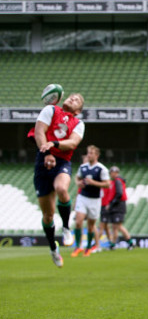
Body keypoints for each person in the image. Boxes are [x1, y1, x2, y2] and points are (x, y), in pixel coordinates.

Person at [33, 93, 85, 267]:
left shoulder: (79, 123)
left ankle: (66, 228)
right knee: (47, 215)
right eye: (71, 96)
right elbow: (39, 131)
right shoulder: (50, 110)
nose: (72, 99)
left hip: (62, 161)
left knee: (62, 189)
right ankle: (52, 249)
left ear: (78, 110)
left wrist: (54, 145)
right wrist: (47, 152)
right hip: (43, 161)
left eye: (76, 100)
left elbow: (72, 143)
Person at [71, 145, 110, 257]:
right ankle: (78, 247)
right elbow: (77, 178)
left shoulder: (101, 169)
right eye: (88, 153)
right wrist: (78, 183)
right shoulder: (83, 167)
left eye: (91, 153)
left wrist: (93, 183)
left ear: (96, 155)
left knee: (90, 225)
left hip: (95, 200)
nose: (89, 155)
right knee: (78, 221)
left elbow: (107, 184)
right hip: (83, 197)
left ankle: (88, 247)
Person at [106, 166, 135, 250]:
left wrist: (111, 204)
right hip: (117, 206)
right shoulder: (116, 181)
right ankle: (113, 244)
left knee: (118, 226)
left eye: (111, 172)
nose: (111, 174)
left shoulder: (117, 181)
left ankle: (129, 242)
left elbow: (119, 193)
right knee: (115, 226)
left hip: (118, 206)